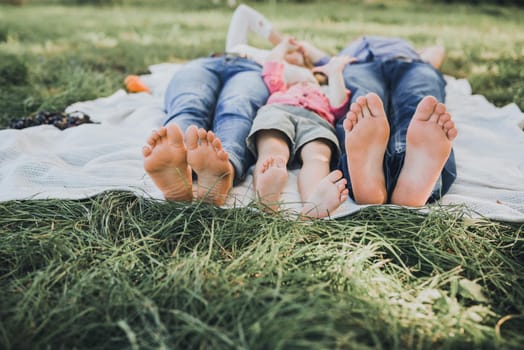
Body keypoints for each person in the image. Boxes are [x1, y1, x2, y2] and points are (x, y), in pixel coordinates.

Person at [301, 36, 458, 206]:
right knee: (367, 103)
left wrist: (420, 55)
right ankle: (405, 178)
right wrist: (300, 46)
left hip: (411, 63)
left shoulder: (409, 51)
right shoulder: (342, 57)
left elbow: (437, 51)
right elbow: (311, 53)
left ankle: (388, 179)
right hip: (361, 66)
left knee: (420, 104)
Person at [142, 54, 269, 206]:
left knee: (237, 106)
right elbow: (243, 29)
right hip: (203, 63)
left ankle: (223, 169)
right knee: (191, 101)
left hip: (253, 68)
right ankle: (178, 157)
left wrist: (289, 51)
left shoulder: (284, 60)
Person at [245, 38, 351, 218]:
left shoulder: (322, 86)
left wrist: (335, 72)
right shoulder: (282, 82)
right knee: (273, 151)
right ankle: (266, 198)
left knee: (318, 157)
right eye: (288, 54)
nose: (294, 54)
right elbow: (272, 65)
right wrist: (284, 45)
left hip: (317, 119)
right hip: (279, 110)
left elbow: (339, 104)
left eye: (299, 53)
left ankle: (314, 203)